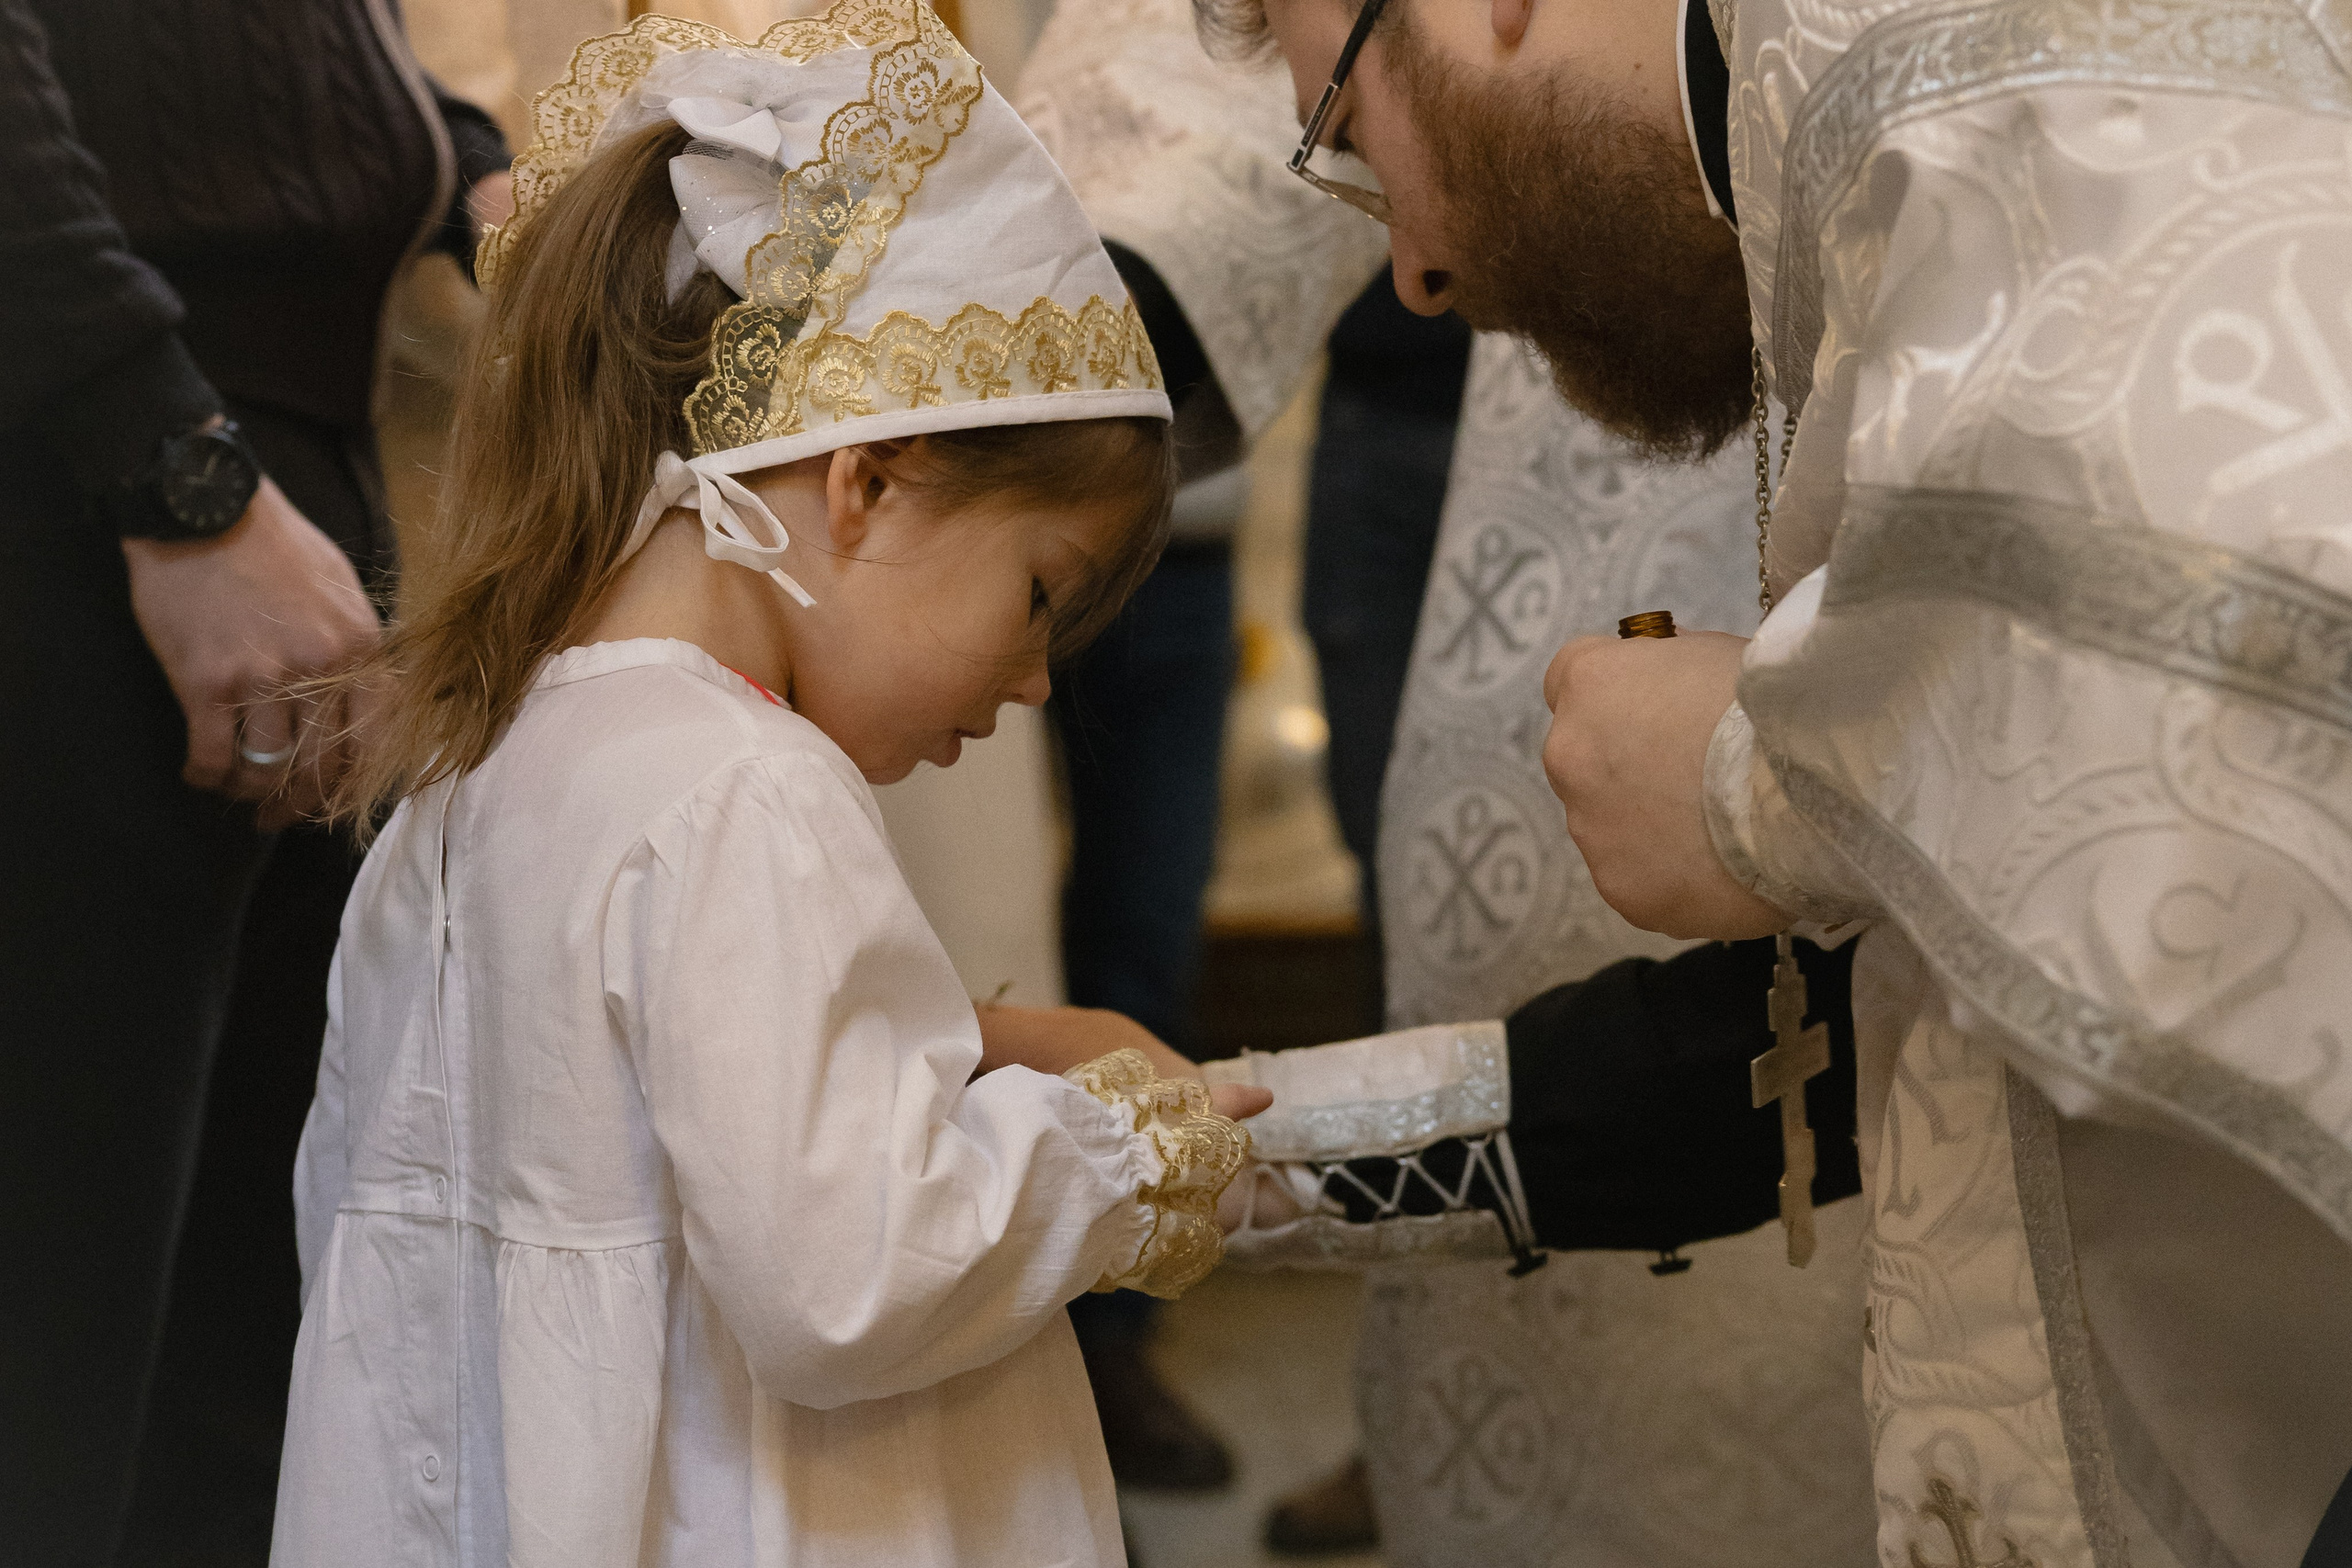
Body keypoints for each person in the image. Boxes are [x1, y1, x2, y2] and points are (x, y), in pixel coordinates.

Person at [1225, 0, 2352, 1558]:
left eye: (1348, 130)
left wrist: (1753, 778)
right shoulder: (1834, 133)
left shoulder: (1993, 75)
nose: (1409, 271)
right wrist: (1201, 1149)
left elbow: (2263, 737)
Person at [267, 6, 1269, 1562]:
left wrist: (984, 1039)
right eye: (1038, 598)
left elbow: (577, 1120)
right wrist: (1134, 1149)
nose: (1035, 685)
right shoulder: (747, 792)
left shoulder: (488, 766)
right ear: (866, 483)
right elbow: (851, 1270)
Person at [0, 3, 511, 1560]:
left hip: (223, 505)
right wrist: (177, 468)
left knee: (237, 1371)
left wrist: (463, 170)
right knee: (57, 1389)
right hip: (84, 511)